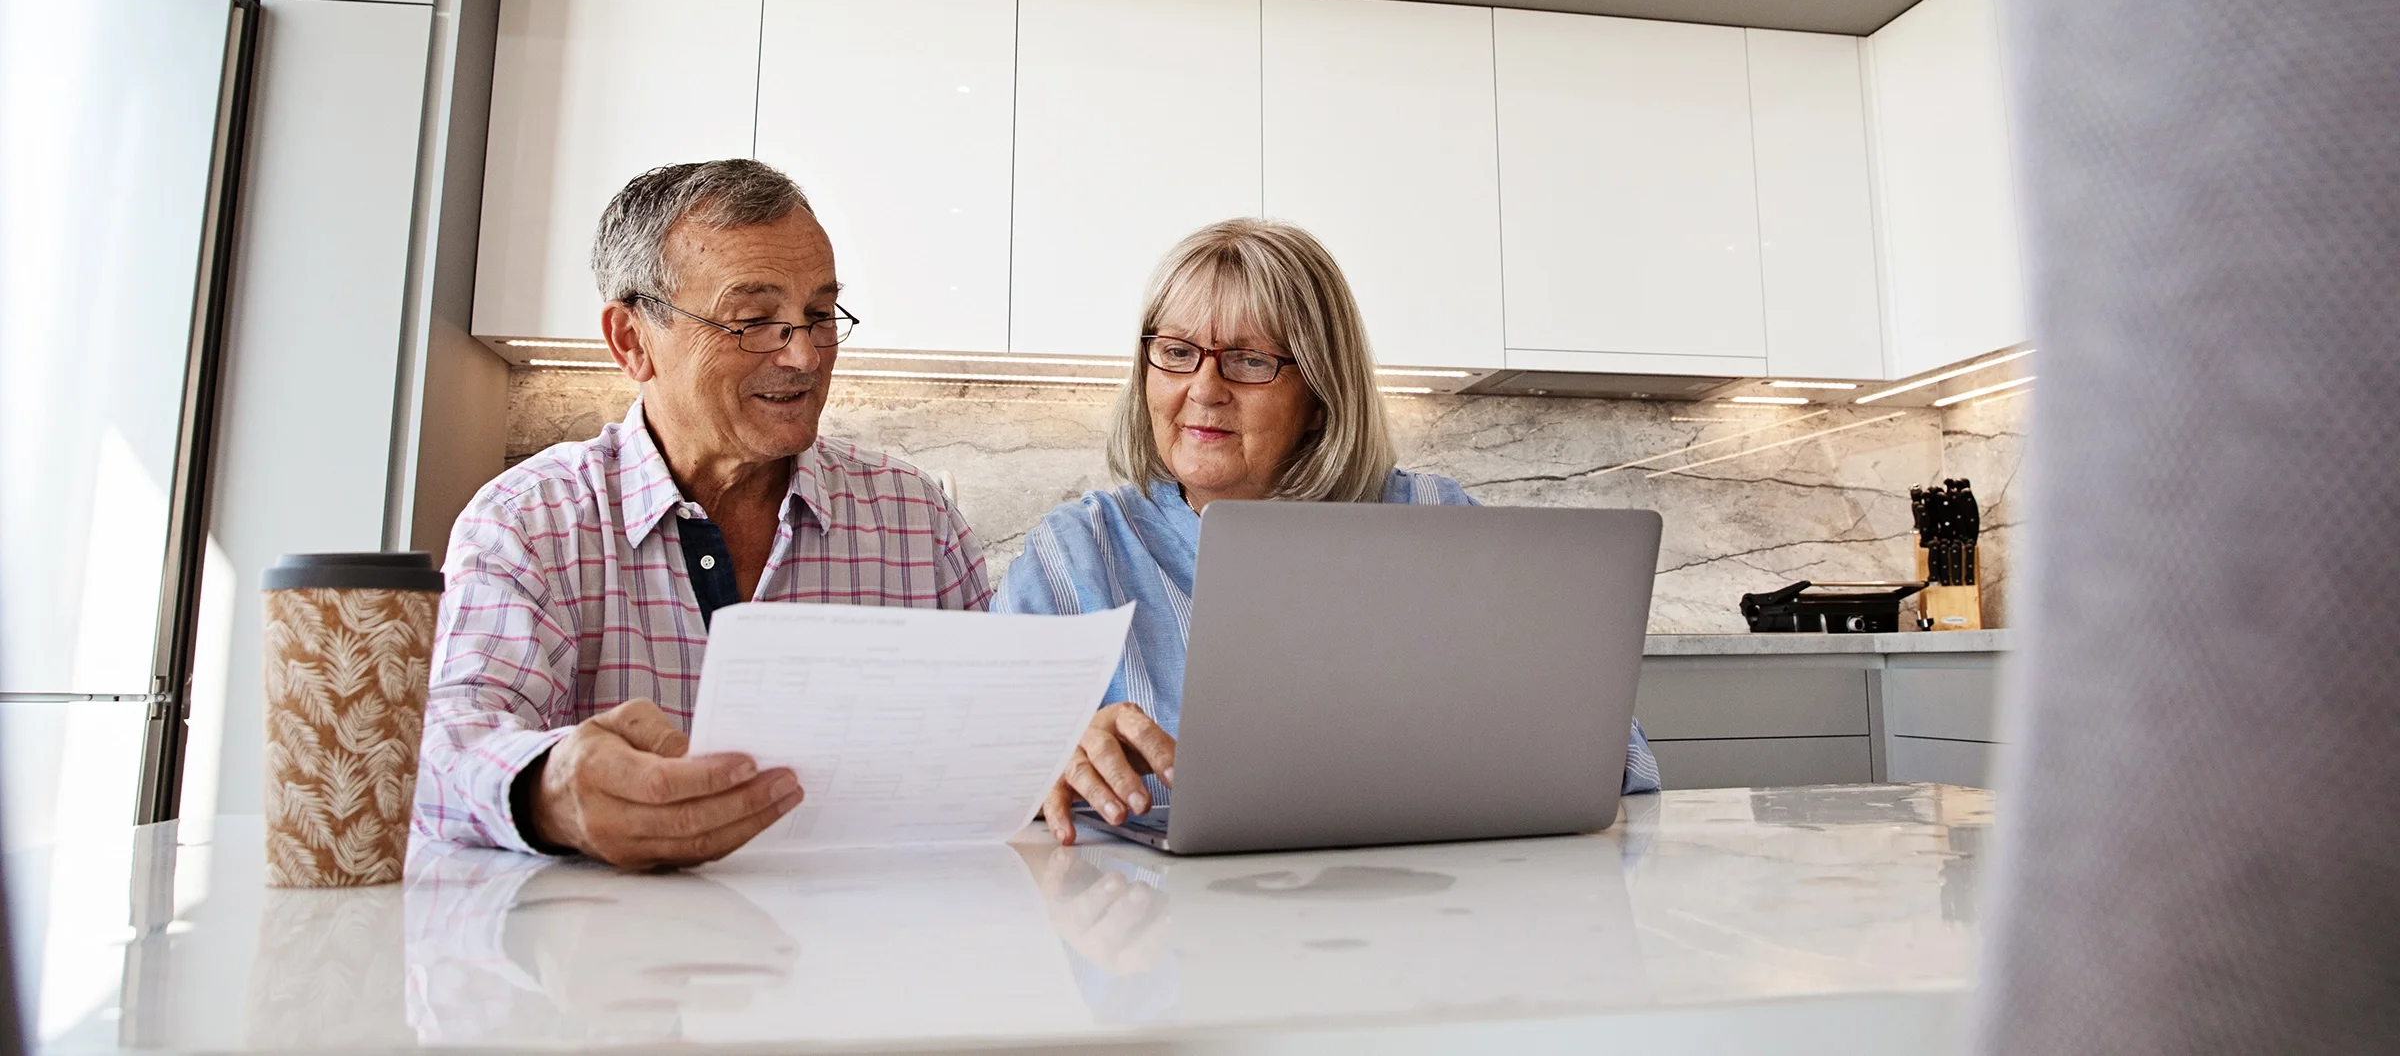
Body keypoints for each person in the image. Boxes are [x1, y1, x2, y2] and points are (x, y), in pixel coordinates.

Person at [996, 218, 1659, 844]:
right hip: (1141, 928)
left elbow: (1610, 761)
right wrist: (1041, 756)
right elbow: (969, 774)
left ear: (1320, 395)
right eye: (1175, 351)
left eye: (1251, 360)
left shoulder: (1435, 522)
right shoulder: (1075, 553)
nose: (1204, 388)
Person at [413, 160, 993, 869]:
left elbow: (996, 734)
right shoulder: (532, 521)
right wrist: (547, 787)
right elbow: (445, 741)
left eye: (818, 315)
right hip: (616, 958)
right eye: (754, 322)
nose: (805, 355)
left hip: (866, 946)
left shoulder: (914, 518)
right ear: (632, 340)